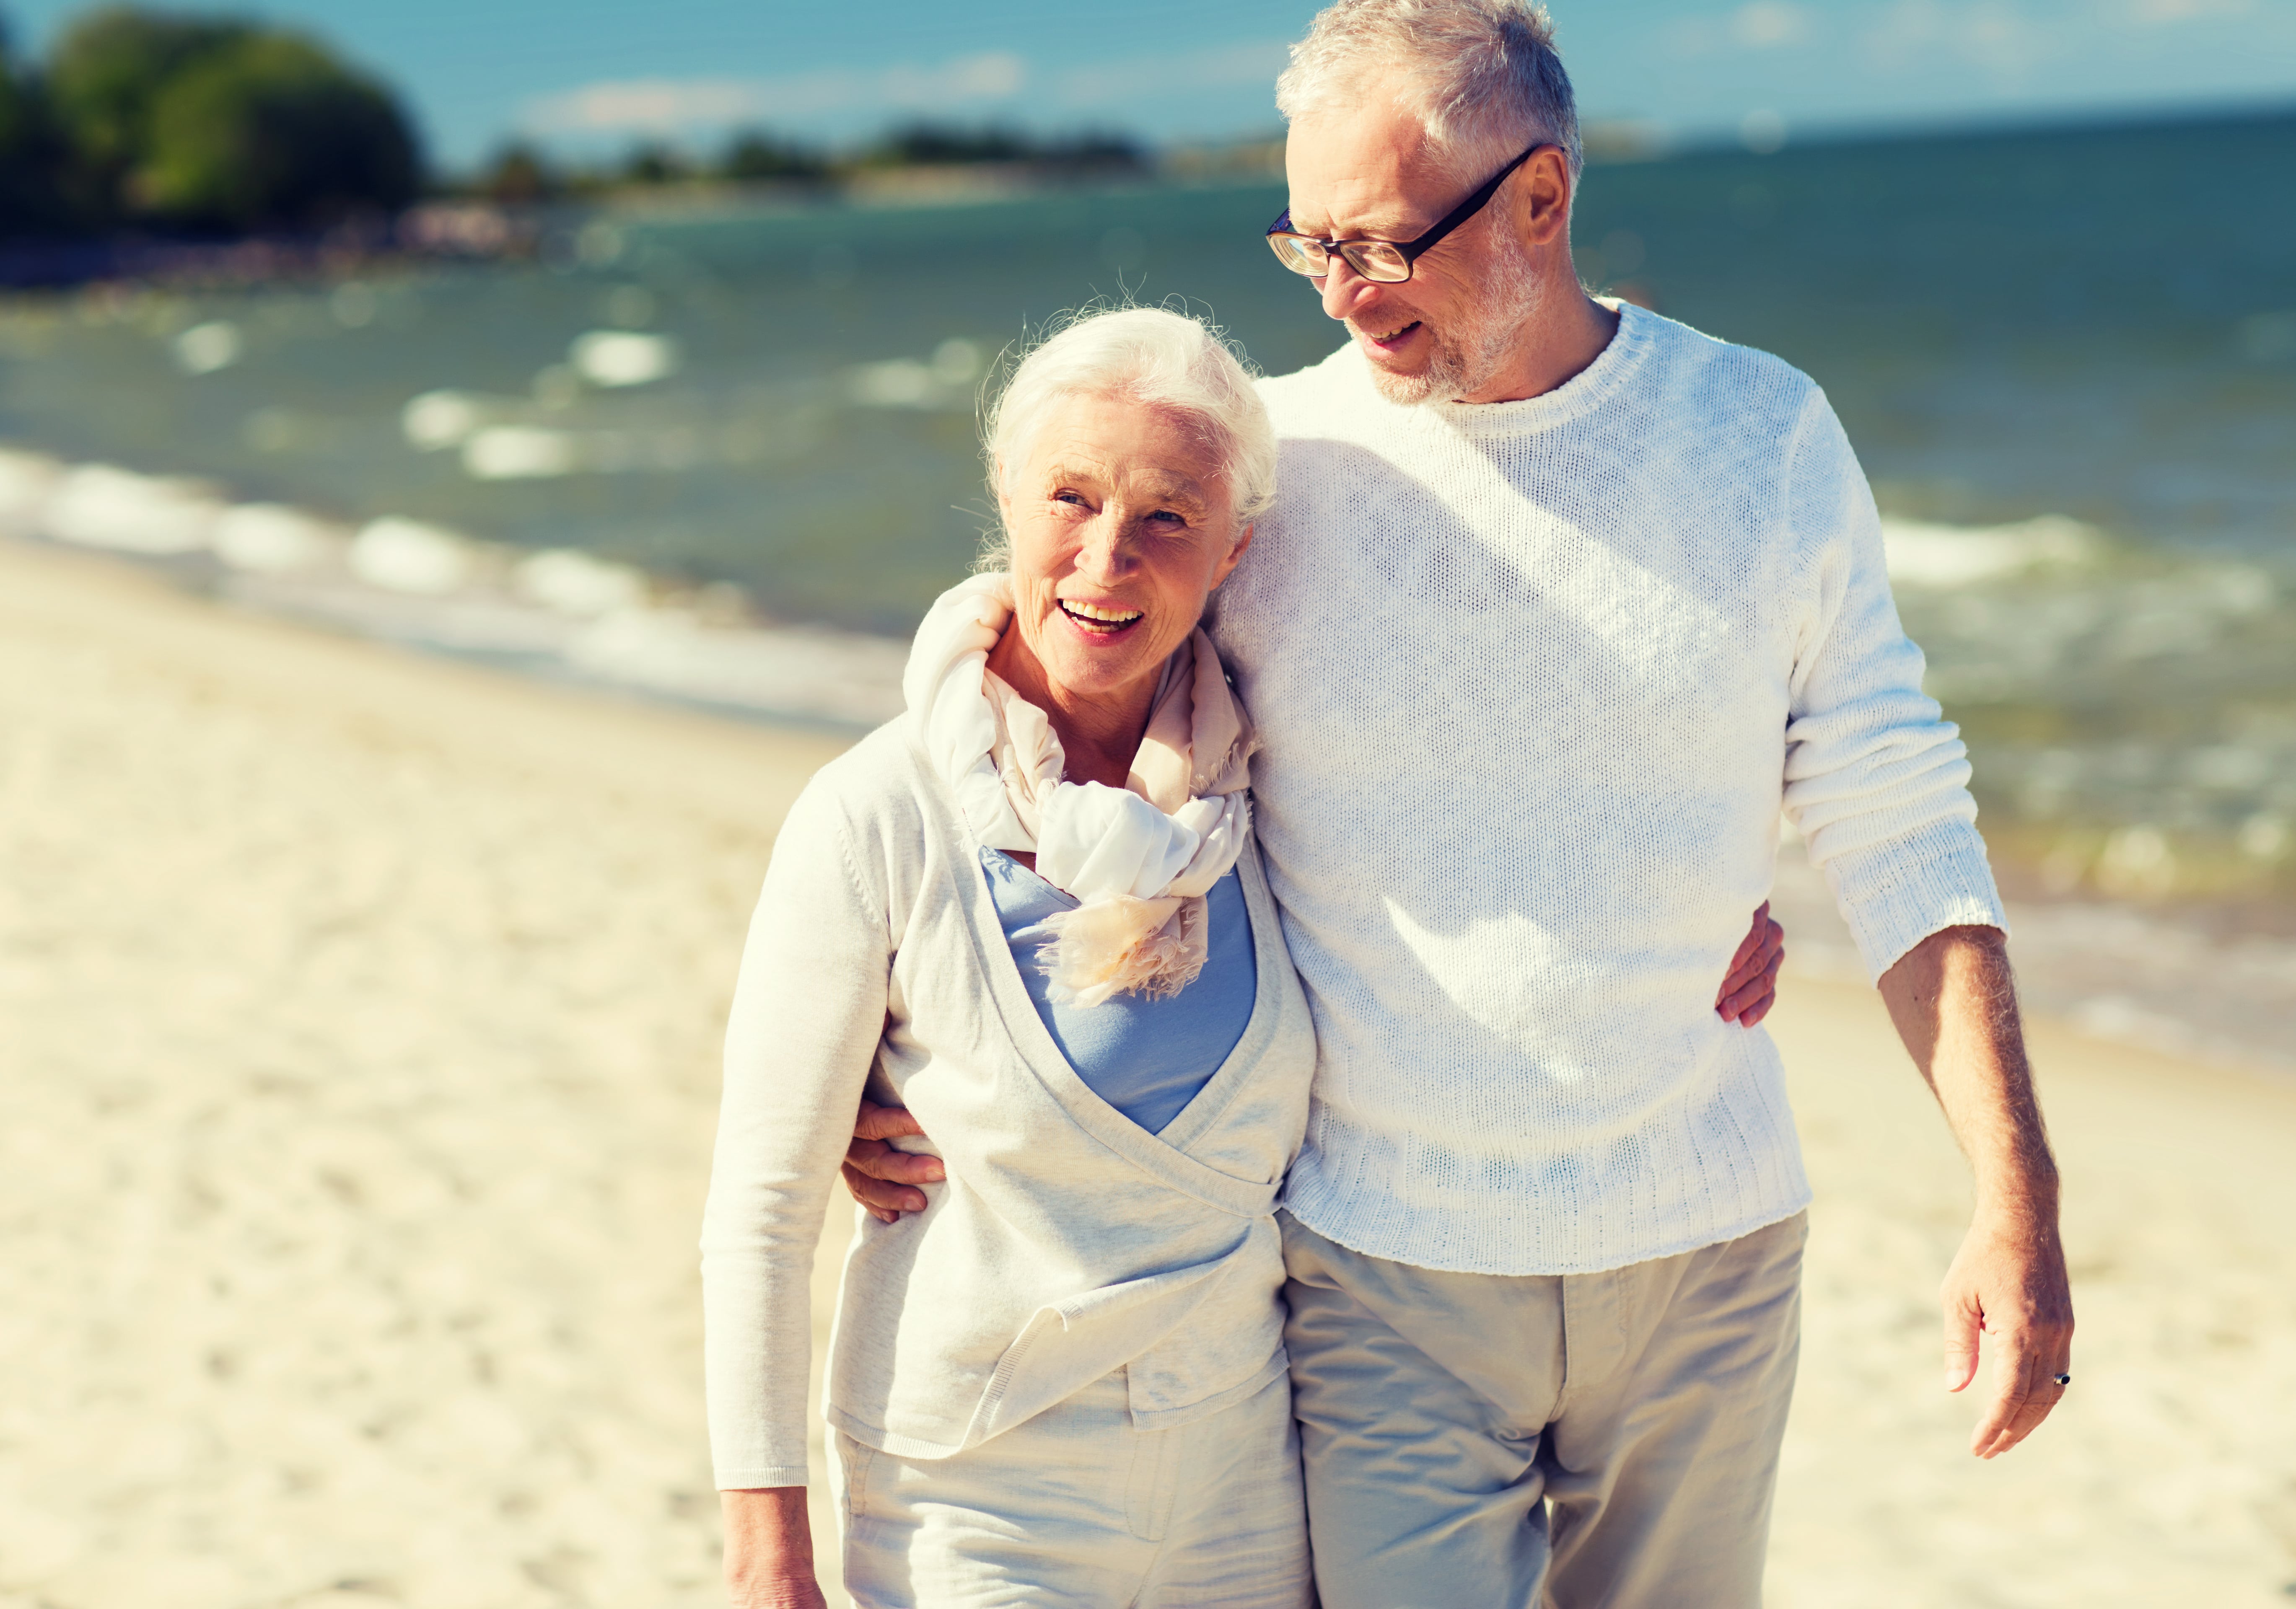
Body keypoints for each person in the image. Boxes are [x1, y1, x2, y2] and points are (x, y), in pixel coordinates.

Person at [843, 3, 2074, 1606]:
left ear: (1543, 200)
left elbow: (1900, 814)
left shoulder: (1760, 439)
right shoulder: (1274, 469)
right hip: (1376, 1266)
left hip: (1706, 1251)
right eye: (1309, 245)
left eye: (1385, 244)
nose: (1348, 294)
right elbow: (1034, 692)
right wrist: (909, 1026)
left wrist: (2013, 1199)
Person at [705, 303, 1803, 1606]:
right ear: (1005, 494)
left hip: (1239, 1484)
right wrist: (766, 1554)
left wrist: (1705, 911)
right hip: (979, 1494)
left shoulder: (1271, 788)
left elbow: (1501, 826)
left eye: (1168, 516)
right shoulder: (877, 816)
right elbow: (761, 1214)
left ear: (1234, 550)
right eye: (1070, 497)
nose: (1105, 559)